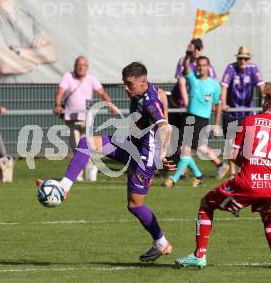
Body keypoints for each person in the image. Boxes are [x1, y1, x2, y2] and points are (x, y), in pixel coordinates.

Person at [38, 62, 175, 262]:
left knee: (135, 205)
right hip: (131, 145)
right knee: (86, 143)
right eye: (124, 84)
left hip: (144, 157)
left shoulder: (149, 103)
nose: (126, 89)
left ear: (142, 81)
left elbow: (165, 127)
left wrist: (162, 154)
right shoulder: (148, 90)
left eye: (129, 84)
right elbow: (162, 96)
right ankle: (64, 187)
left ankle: (162, 243)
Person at [174, 85, 271, 269]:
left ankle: (199, 255)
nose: (262, 102)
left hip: (247, 183)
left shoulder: (250, 121)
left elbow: (232, 154)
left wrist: (250, 167)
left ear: (270, 102)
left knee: (206, 204)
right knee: (268, 214)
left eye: (264, 99)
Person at [162, 43, 228, 188]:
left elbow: (218, 106)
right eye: (199, 65)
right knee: (182, 149)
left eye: (204, 65)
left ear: (208, 67)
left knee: (186, 149)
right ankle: (199, 176)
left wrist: (217, 124)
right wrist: (188, 55)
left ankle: (173, 180)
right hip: (188, 117)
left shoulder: (214, 85)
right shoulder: (193, 78)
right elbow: (185, 67)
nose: (201, 67)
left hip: (201, 120)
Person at [53, 56, 115, 181]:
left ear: (87, 67)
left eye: (83, 65)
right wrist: (58, 105)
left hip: (87, 120)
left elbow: (102, 93)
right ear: (75, 66)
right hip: (71, 120)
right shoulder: (68, 77)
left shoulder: (91, 79)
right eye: (79, 65)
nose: (81, 67)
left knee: (87, 146)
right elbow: (60, 93)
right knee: (76, 148)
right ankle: (78, 174)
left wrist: (110, 105)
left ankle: (91, 169)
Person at [0, 0, 57, 83]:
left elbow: (52, 54)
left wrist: (18, 51)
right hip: (1, 93)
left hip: (31, 92)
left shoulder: (27, 16)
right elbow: (4, 65)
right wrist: (38, 60)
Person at [167, 38, 217, 178]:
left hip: (197, 113)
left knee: (190, 146)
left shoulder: (206, 65)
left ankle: (180, 175)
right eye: (195, 49)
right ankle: (193, 174)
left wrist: (209, 104)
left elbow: (211, 87)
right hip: (181, 107)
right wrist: (187, 102)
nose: (197, 51)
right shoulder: (185, 61)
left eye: (199, 49)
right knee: (182, 144)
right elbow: (182, 81)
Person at [221, 46, 265, 179]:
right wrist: (223, 103)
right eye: (240, 58)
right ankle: (233, 172)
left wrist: (264, 102)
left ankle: (245, 170)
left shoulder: (253, 68)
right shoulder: (230, 68)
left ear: (249, 59)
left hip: (247, 112)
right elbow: (223, 86)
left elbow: (261, 86)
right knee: (230, 142)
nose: (243, 61)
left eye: (245, 58)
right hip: (232, 112)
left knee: (247, 143)